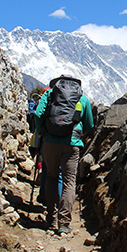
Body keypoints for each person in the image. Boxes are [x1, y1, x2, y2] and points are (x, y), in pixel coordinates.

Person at [34, 75, 94, 234]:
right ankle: (64, 223)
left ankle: (51, 218)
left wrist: (41, 132)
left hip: (49, 142)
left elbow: (38, 114)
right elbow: (89, 124)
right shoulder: (82, 99)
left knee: (51, 177)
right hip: (71, 144)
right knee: (69, 181)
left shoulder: (49, 94)